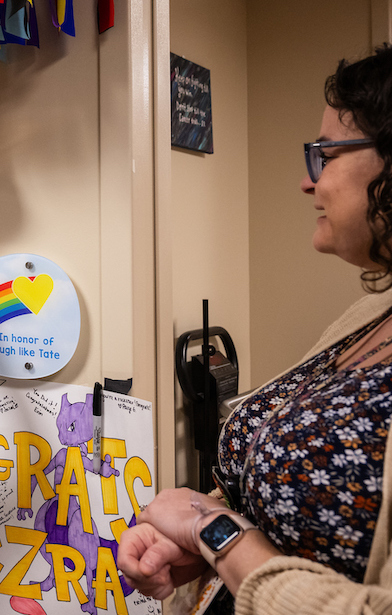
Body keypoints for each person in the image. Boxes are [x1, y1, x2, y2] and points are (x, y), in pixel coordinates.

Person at [117, 44, 392, 614]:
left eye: (325, 155)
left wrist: (213, 532)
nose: (306, 181)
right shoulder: (371, 316)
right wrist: (200, 546)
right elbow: (303, 511)